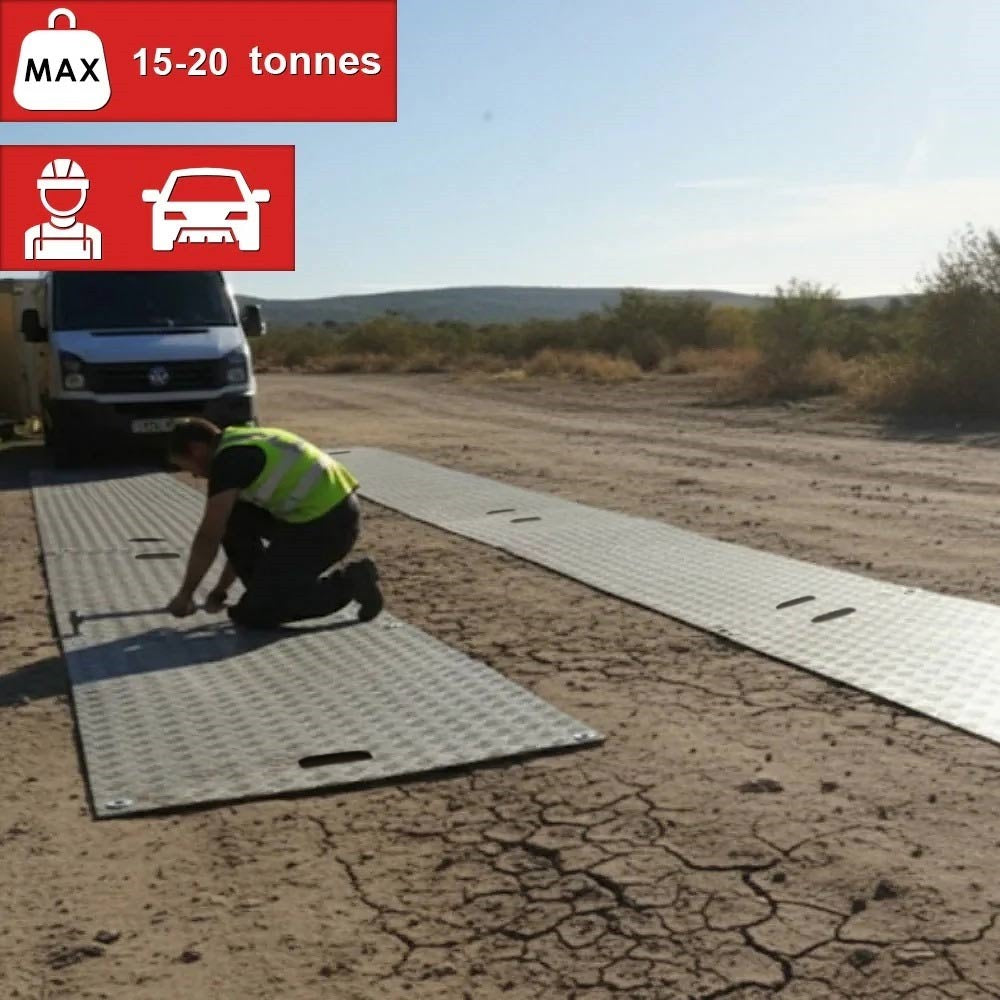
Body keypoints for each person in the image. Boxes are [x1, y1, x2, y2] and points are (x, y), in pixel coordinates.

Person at [165, 418, 383, 629]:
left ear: (196, 450)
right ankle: (263, 594)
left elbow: (208, 536)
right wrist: (220, 590)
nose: (194, 474)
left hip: (329, 526)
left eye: (186, 466)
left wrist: (186, 594)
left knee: (257, 613)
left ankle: (352, 582)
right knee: (234, 517)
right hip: (319, 515)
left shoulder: (230, 462)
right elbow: (236, 533)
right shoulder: (239, 440)